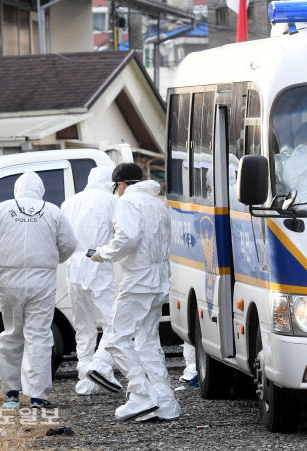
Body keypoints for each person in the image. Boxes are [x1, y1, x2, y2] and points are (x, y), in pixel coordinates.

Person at [0, 171, 77, 408]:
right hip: (43, 281)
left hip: (10, 281)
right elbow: (70, 244)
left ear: (17, 190)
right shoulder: (52, 211)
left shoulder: (0, 209)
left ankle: (11, 391)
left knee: (11, 334)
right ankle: (39, 396)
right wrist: (54, 259)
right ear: (40, 190)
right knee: (38, 336)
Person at [86, 163, 181, 422]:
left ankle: (141, 394)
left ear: (121, 185)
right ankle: (166, 402)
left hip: (138, 278)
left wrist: (101, 254)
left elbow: (128, 238)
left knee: (116, 338)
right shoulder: (157, 203)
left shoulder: (127, 202)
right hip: (159, 278)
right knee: (148, 342)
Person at [60, 166, 122, 395]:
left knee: (83, 325)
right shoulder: (111, 201)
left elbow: (62, 238)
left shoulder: (70, 202)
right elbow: (120, 236)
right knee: (112, 322)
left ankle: (85, 379)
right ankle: (100, 367)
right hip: (98, 261)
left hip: (74, 266)